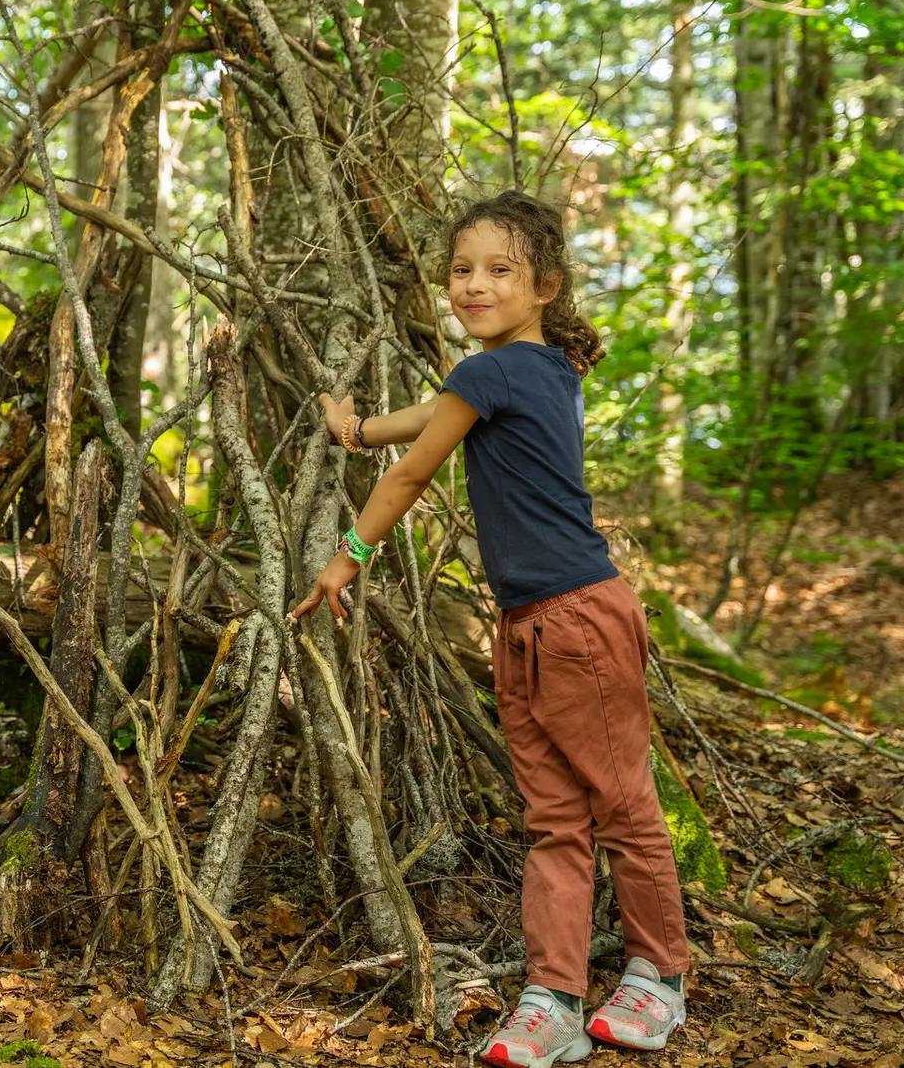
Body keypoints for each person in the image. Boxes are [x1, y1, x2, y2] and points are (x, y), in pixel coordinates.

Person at [291, 190, 689, 1068]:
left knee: (622, 806)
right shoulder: (537, 367)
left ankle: (659, 976)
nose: (473, 285)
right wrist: (356, 427)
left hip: (577, 618)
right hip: (529, 625)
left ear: (544, 283)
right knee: (555, 817)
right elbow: (432, 417)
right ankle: (553, 996)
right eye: (462, 269)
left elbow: (410, 475)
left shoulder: (491, 373)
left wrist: (346, 555)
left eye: (499, 270)